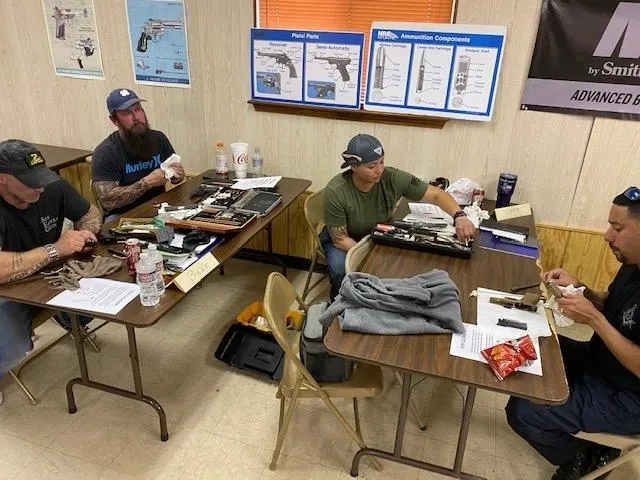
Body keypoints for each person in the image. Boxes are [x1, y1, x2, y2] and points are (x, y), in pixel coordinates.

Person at [506, 186, 640, 480]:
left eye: (617, 227)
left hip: (629, 398)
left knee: (523, 412)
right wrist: (579, 289)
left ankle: (586, 459)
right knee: (534, 344)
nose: (607, 235)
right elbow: (611, 304)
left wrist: (593, 319)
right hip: (599, 360)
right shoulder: (632, 264)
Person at [0, 139, 102, 403]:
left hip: (47, 275)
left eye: (41, 177)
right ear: (2, 179)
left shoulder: (52, 187)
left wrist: (86, 231)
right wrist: (54, 250)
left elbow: (90, 212)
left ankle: (67, 316)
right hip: (5, 288)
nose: (40, 186)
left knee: (105, 291)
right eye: (30, 180)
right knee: (12, 348)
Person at [321, 133, 476, 300]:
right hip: (346, 239)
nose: (379, 170)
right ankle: (338, 310)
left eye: (381, 162)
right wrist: (372, 254)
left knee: (403, 264)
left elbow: (436, 195)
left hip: (378, 232)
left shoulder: (392, 178)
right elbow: (340, 239)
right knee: (340, 269)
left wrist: (460, 216)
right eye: (372, 166)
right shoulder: (336, 191)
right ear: (353, 167)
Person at [91, 88, 185, 220]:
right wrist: (147, 182)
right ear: (114, 120)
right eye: (126, 113)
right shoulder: (105, 152)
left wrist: (175, 174)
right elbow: (108, 201)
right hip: (122, 216)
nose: (136, 117)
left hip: (158, 206)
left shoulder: (158, 138)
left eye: (138, 109)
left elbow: (179, 177)